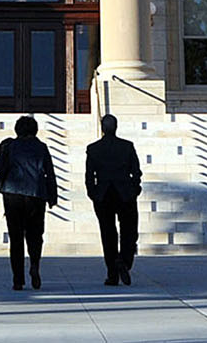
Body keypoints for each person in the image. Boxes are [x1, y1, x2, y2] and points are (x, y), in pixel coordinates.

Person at [0, 114, 57, 291]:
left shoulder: (11, 146)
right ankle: (34, 265)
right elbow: (49, 172)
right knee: (35, 235)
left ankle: (18, 279)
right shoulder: (41, 147)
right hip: (36, 194)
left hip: (13, 194)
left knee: (16, 238)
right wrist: (52, 196)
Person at [85, 113, 142, 285]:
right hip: (125, 193)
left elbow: (89, 174)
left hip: (103, 194)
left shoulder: (94, 148)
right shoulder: (127, 146)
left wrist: (92, 193)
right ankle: (124, 261)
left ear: (102, 129)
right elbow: (136, 171)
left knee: (108, 233)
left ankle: (112, 273)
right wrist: (134, 188)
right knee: (129, 231)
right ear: (116, 127)